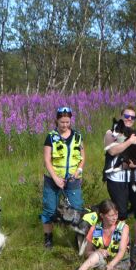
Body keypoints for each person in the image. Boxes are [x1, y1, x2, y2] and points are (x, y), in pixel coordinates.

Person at [103, 104, 136, 242]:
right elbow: (112, 151)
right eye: (126, 116)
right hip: (117, 179)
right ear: (121, 117)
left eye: (132, 117)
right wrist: (130, 141)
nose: (129, 119)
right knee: (121, 213)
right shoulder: (110, 133)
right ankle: (121, 245)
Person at [41, 106, 86, 249]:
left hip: (73, 179)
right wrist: (55, 178)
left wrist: (79, 170)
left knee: (77, 209)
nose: (65, 125)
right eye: (62, 122)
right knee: (49, 209)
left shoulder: (77, 136)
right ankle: (48, 238)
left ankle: (78, 240)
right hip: (53, 179)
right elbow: (47, 160)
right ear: (57, 121)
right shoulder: (51, 136)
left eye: (67, 122)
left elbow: (83, 157)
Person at [72, 200, 130, 270]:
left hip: (120, 262)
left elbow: (121, 252)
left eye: (116, 214)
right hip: (102, 261)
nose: (115, 218)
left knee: (110, 269)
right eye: (111, 215)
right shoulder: (94, 229)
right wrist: (97, 251)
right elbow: (87, 253)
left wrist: (111, 265)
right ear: (102, 216)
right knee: (96, 255)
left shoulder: (123, 227)